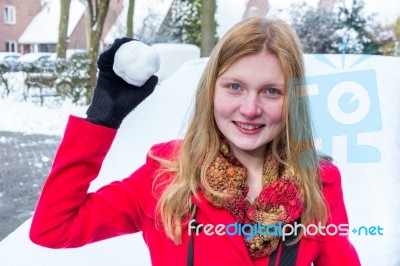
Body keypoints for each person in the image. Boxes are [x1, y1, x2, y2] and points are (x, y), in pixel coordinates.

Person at [30, 17, 361, 266]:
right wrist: (102, 120)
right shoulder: (165, 176)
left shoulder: (318, 182)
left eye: (271, 91)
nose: (250, 108)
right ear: (211, 90)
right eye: (234, 86)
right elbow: (54, 228)